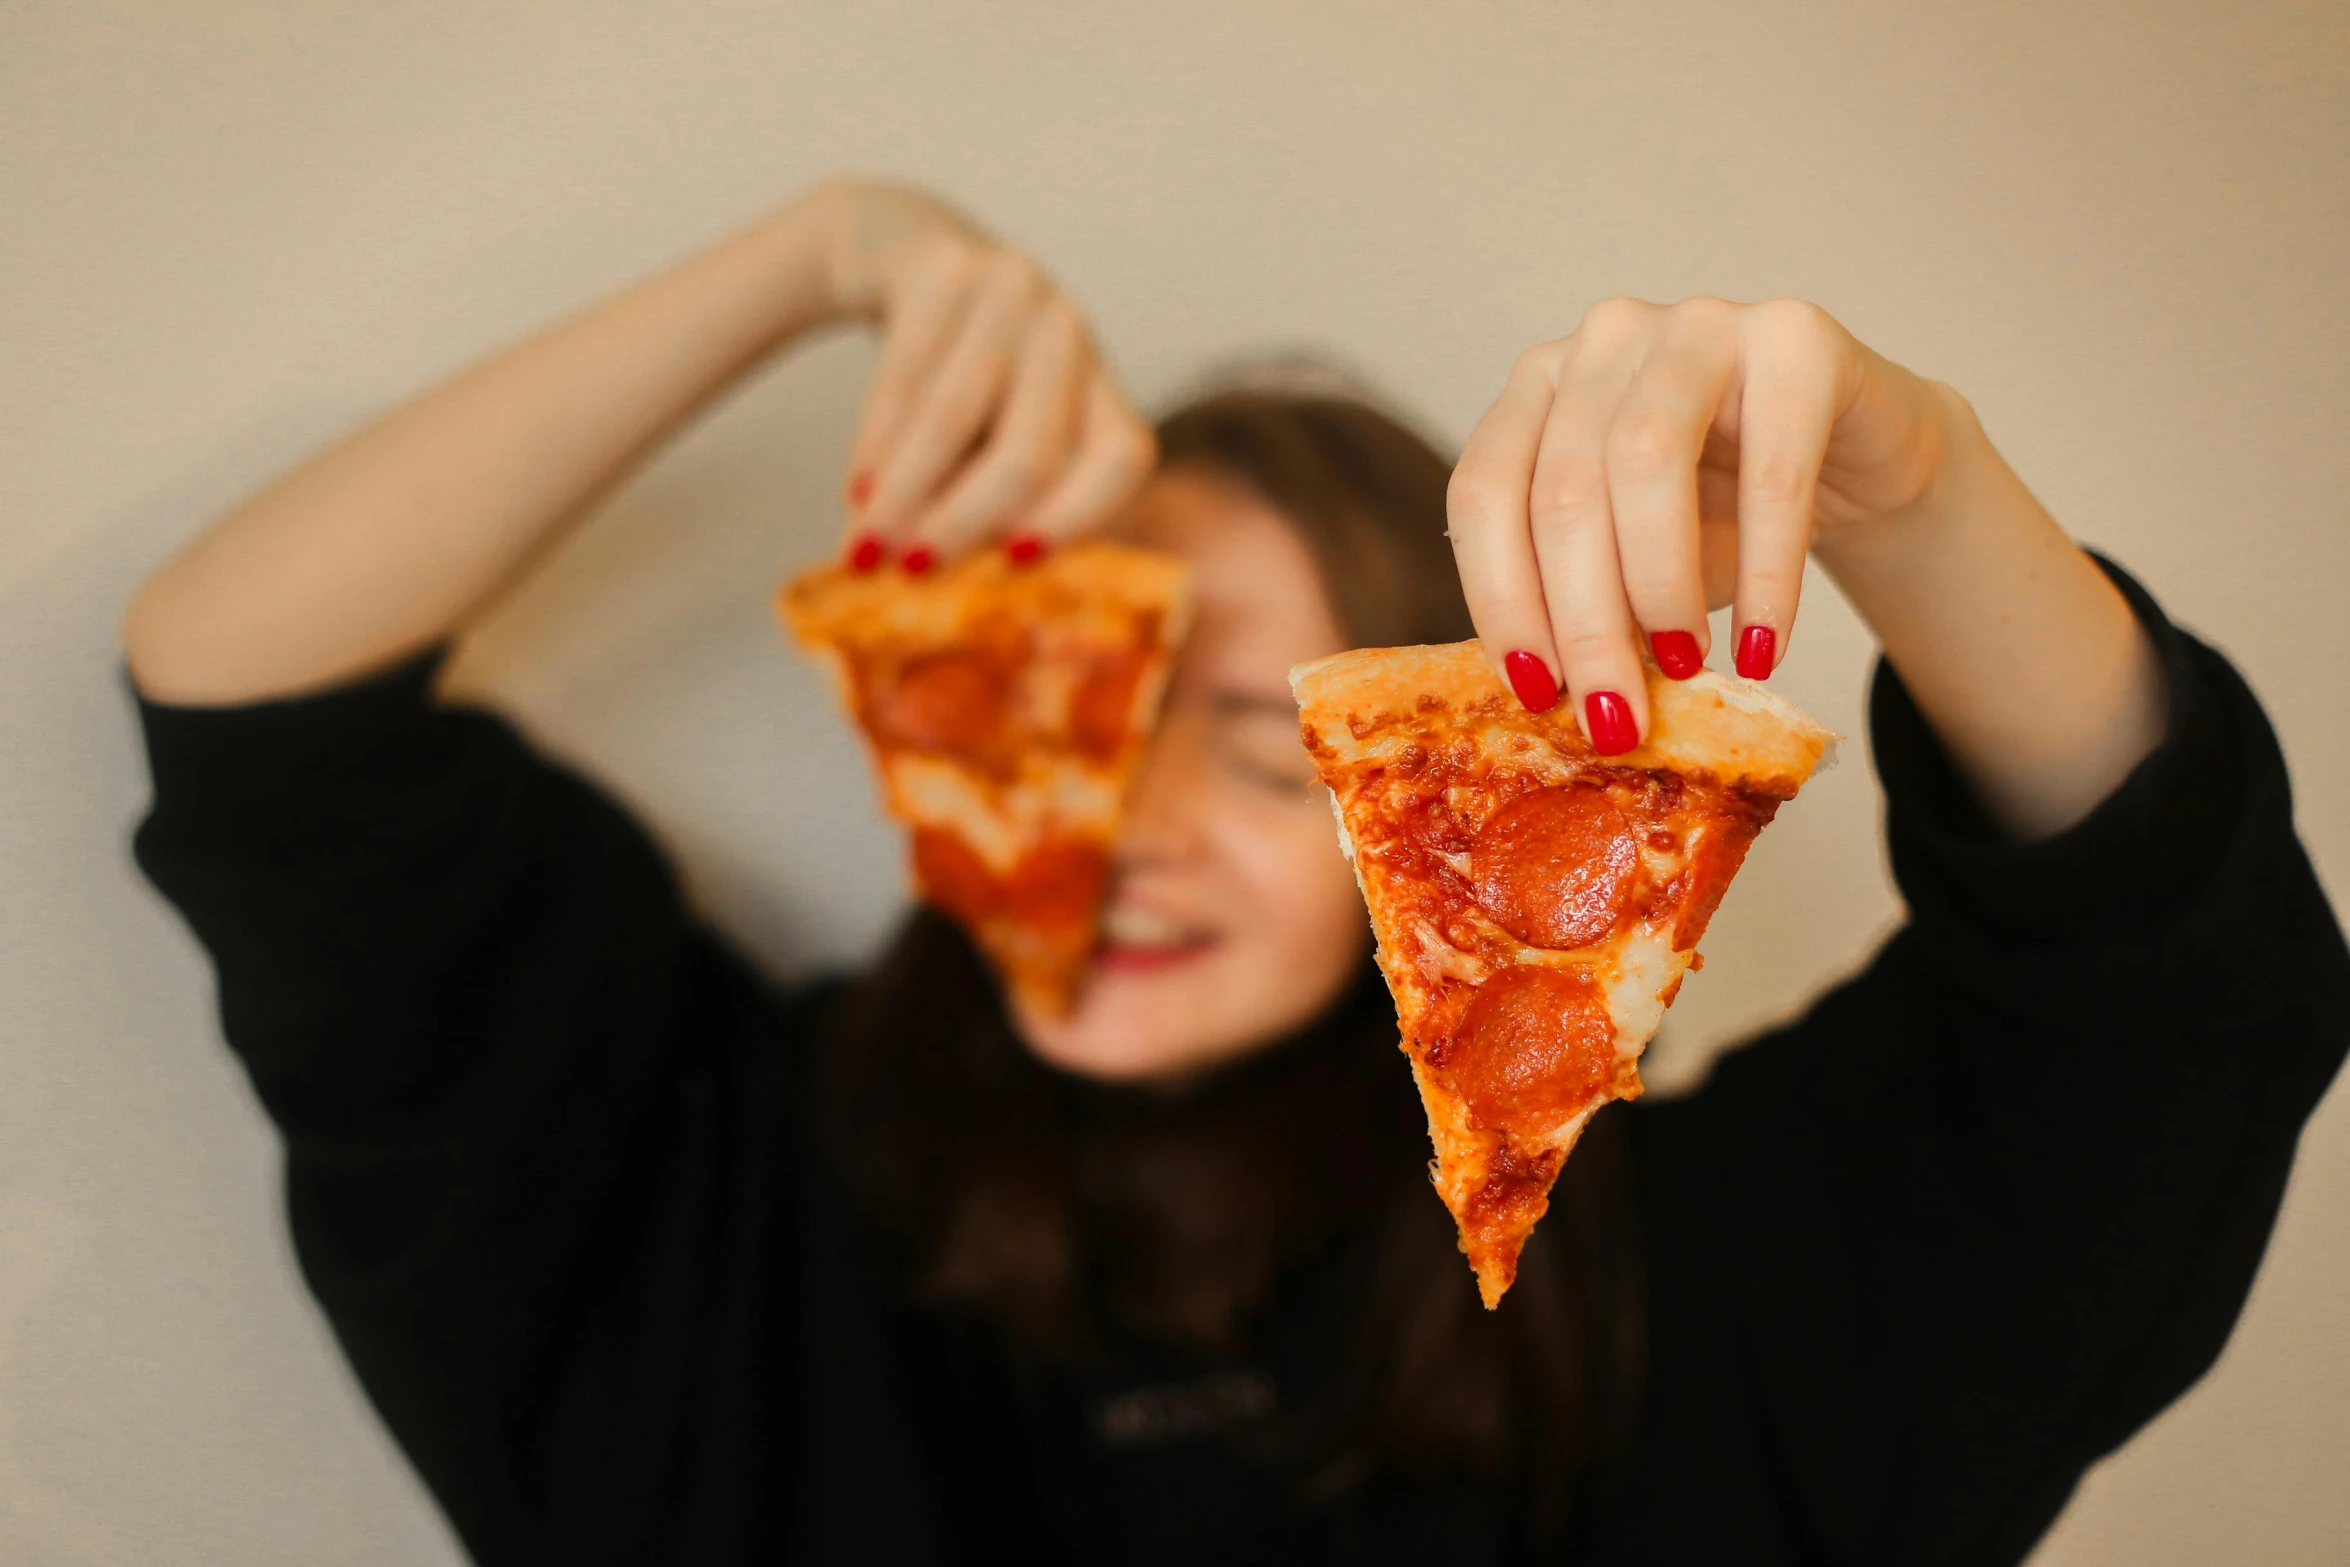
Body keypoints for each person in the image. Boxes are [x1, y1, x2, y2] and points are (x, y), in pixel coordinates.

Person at [123, 180, 2348, 1565]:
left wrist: (1907, 477)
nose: (1140, 814)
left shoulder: (1673, 1294)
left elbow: (2167, 995)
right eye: (1080, 698)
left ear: (1445, 842)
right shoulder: (698, 1205)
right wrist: (824, 255)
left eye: (1275, 756)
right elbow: (249, 704)